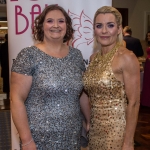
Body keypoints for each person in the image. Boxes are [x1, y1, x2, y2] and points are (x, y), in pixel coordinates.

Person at [11, 4, 89, 150]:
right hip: (38, 138)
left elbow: (82, 93)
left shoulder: (76, 56)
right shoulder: (28, 55)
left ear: (67, 26)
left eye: (61, 21)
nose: (56, 25)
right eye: (50, 21)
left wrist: (89, 120)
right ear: (41, 26)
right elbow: (16, 99)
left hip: (71, 135)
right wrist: (27, 140)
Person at [83, 6, 140, 150]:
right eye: (99, 26)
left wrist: (128, 142)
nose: (104, 31)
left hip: (117, 133)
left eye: (110, 25)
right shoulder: (93, 58)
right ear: (94, 29)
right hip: (95, 131)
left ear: (119, 29)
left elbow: (134, 102)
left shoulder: (127, 57)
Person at [140, 31, 150, 107]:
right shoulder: (147, 44)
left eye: (149, 36)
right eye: (147, 36)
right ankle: (146, 101)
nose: (148, 37)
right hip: (148, 64)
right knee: (147, 81)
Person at [0, 33, 10, 98]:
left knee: (6, 80)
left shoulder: (2, 46)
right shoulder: (12, 46)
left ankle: (7, 94)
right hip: (11, 65)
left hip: (5, 66)